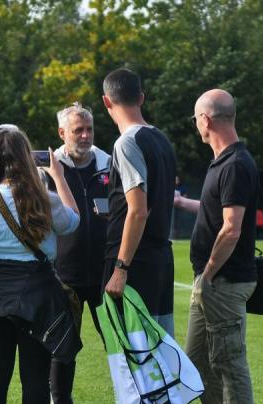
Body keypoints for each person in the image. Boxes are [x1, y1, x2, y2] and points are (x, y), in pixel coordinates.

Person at [0, 127, 82, 404]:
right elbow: (73, 222)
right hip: (38, 296)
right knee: (35, 380)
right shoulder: (45, 198)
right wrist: (60, 178)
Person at [185, 89, 259, 404]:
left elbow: (231, 229)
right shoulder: (223, 162)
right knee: (195, 360)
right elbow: (218, 213)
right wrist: (181, 203)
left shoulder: (235, 163)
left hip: (223, 283)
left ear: (206, 119)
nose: (196, 124)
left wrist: (209, 276)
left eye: (196, 118)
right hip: (211, 281)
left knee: (230, 366)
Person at [47, 102, 111, 404]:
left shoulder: (109, 165)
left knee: (118, 344)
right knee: (63, 347)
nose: (85, 136)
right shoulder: (48, 168)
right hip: (64, 276)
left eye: (89, 129)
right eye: (77, 130)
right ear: (62, 134)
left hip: (105, 275)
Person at [101, 68, 177, 335]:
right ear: (141, 98)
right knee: (161, 353)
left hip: (136, 264)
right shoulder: (161, 139)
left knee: (135, 358)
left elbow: (138, 210)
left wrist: (121, 268)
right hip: (160, 259)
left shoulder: (127, 143)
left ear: (106, 102)